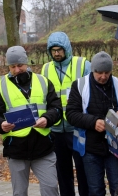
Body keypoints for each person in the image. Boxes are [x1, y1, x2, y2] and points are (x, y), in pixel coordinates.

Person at [0, 45, 62, 196]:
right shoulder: (0, 87)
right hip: (16, 149)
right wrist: (0, 124)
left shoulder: (43, 82)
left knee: (51, 189)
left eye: (20, 65)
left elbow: (57, 109)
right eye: (12, 66)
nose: (16, 70)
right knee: (20, 192)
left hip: (43, 147)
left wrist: (47, 119)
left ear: (27, 63)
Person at [66, 51, 118, 196]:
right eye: (99, 73)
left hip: (117, 148)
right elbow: (71, 114)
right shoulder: (80, 85)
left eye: (107, 72)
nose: (103, 76)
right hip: (90, 147)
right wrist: (93, 122)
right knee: (95, 190)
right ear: (92, 70)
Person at [41, 31, 90, 196]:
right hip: (56, 130)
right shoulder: (46, 68)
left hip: (78, 128)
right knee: (62, 173)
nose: (56, 53)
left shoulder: (82, 64)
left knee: (83, 170)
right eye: (53, 50)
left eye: (59, 49)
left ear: (67, 48)